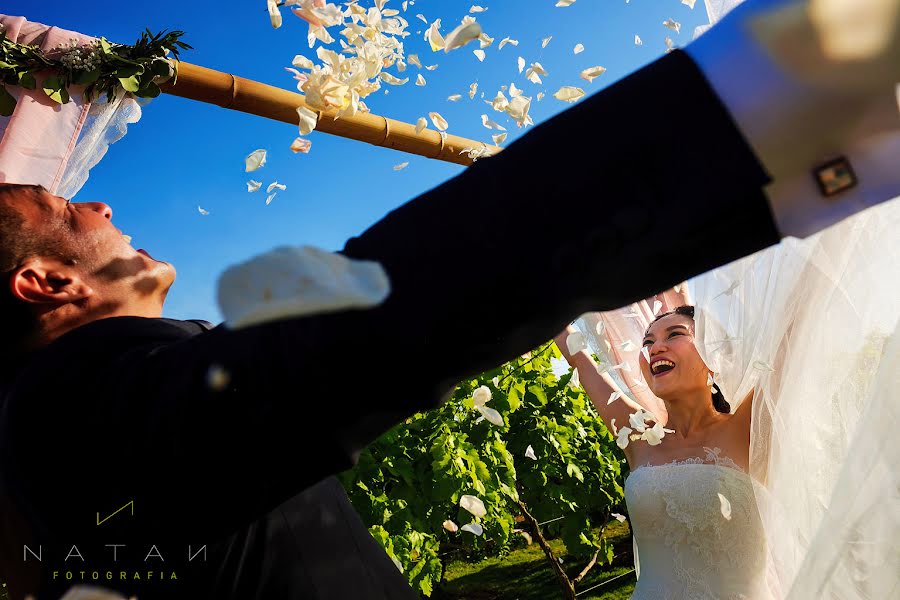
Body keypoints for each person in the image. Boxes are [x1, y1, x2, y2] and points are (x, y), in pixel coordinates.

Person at [0, 0, 898, 597]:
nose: (102, 200)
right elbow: (405, 300)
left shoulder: (86, 411)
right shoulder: (77, 409)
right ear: (43, 283)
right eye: (63, 206)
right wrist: (776, 97)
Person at [554, 295, 768, 598]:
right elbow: (578, 357)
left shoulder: (747, 426)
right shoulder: (637, 436)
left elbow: (793, 329)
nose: (655, 348)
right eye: (648, 341)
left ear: (713, 354)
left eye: (675, 334)